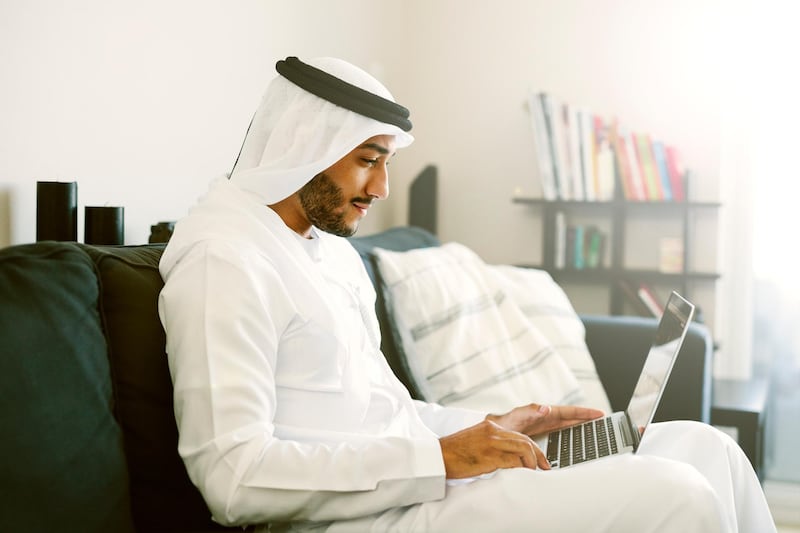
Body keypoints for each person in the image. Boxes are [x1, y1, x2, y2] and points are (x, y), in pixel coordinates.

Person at [158, 56, 776, 532]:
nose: (380, 187)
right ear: (303, 147)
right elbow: (232, 477)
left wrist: (492, 429)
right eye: (368, 160)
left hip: (420, 480)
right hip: (359, 517)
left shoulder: (327, 252)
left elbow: (382, 411)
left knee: (707, 447)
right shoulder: (225, 262)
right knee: (677, 492)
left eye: (387, 161)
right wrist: (445, 460)